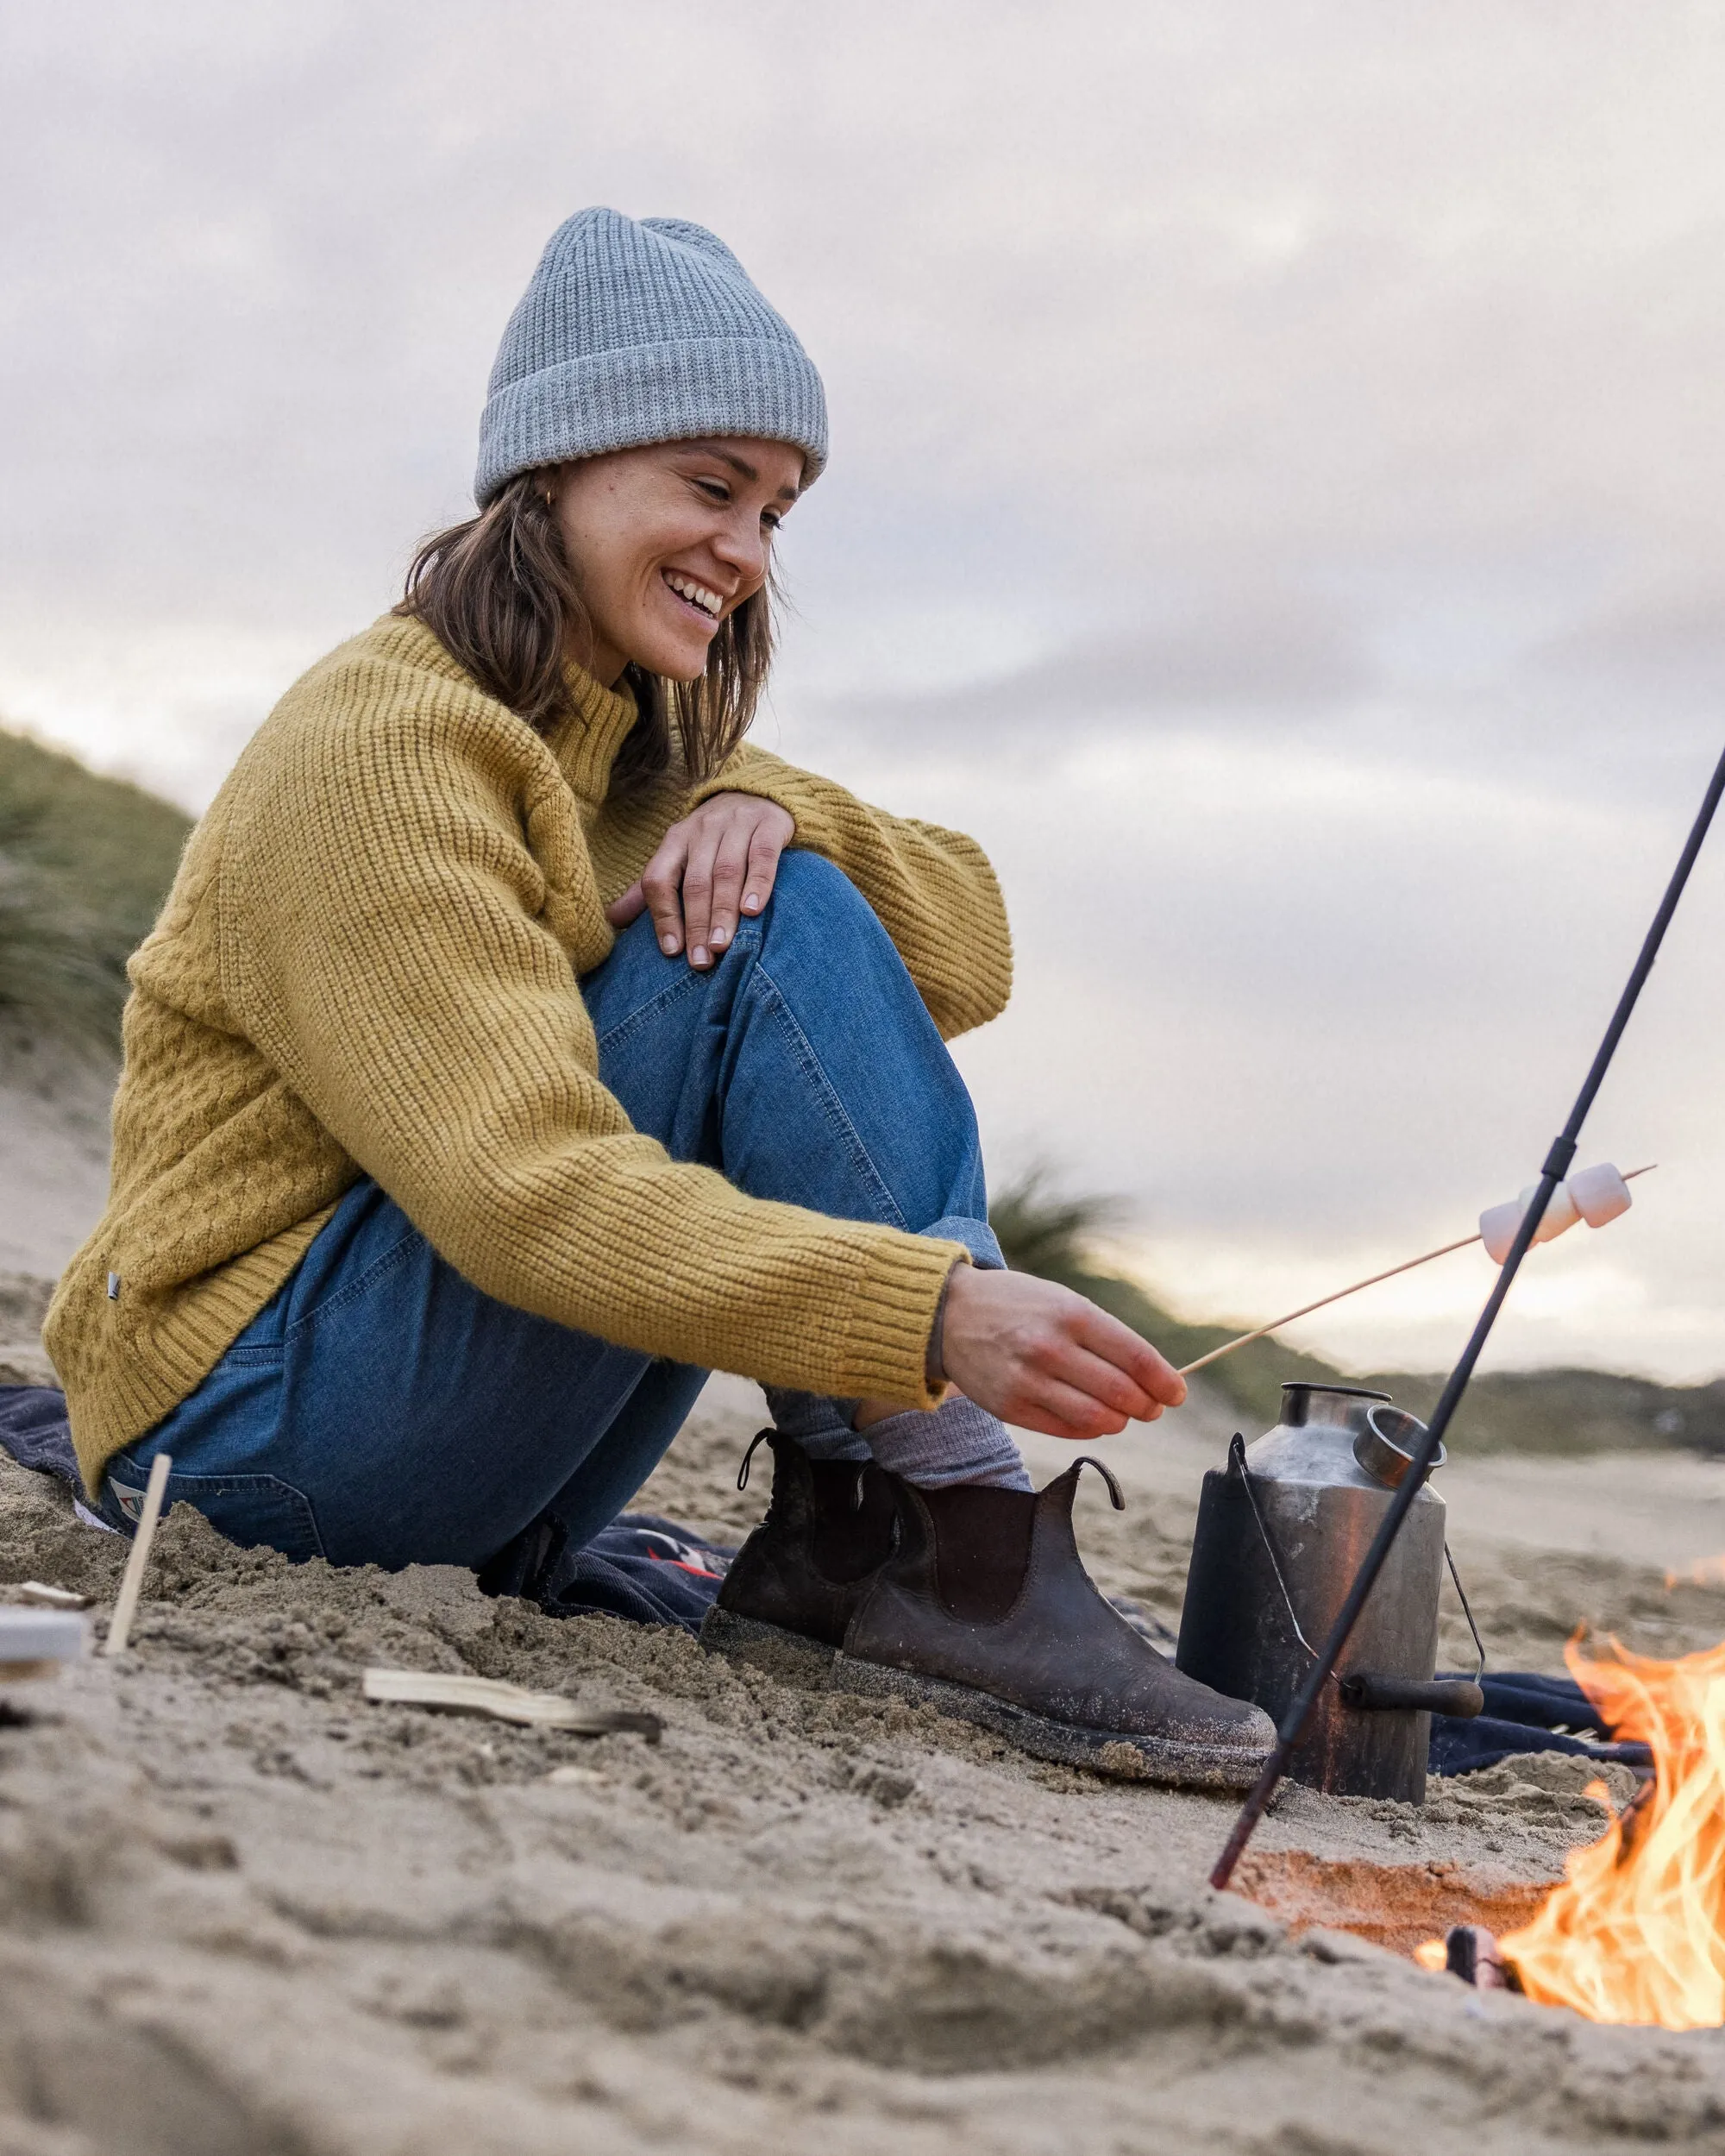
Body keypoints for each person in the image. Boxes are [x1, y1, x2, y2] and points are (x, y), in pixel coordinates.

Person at [47, 209, 1272, 1786]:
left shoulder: (630, 746)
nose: (748, 555)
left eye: (774, 511)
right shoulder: (382, 747)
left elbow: (968, 944)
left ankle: (857, 1535)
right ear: (557, 467)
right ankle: (955, 1533)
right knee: (753, 931)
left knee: (781, 897)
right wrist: (933, 1313)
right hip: (237, 1451)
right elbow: (522, 1190)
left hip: (405, 1430)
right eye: (710, 488)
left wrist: (779, 810)